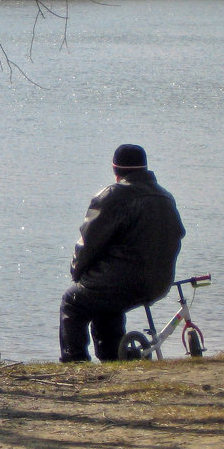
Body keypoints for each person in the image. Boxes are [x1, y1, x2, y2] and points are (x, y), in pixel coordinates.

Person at [59, 144, 185, 362]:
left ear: (116, 169)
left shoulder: (112, 195)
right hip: (159, 283)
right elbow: (177, 236)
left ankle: (74, 362)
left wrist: (77, 272)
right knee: (105, 302)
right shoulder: (165, 197)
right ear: (145, 168)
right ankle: (113, 358)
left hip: (123, 282)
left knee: (73, 301)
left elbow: (88, 243)